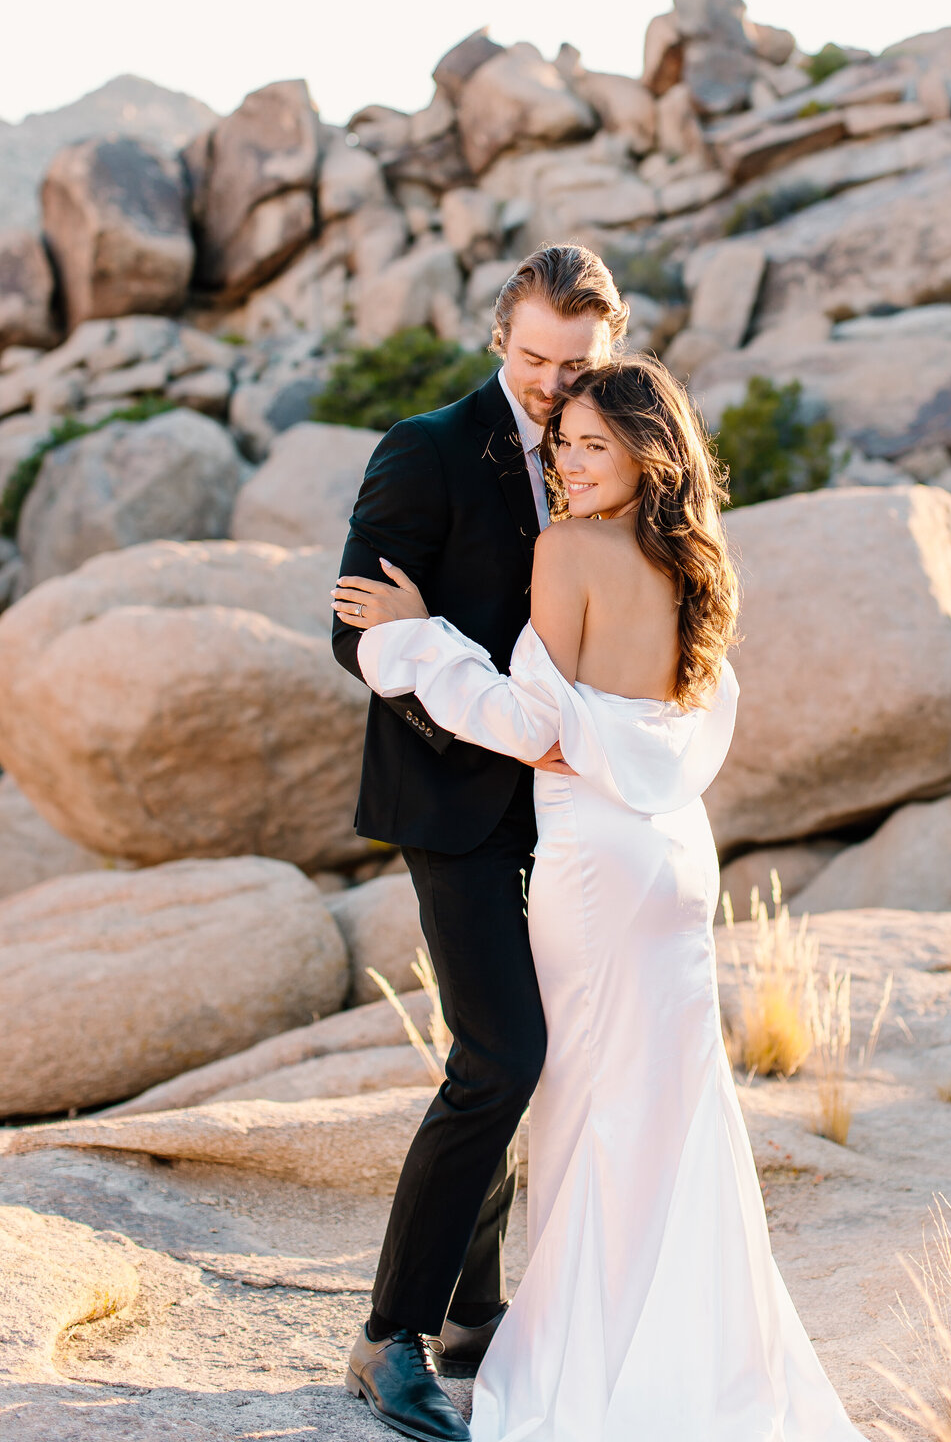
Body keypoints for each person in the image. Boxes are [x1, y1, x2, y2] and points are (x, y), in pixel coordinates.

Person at [334, 356, 864, 1441]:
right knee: (676, 1110)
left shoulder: (568, 547)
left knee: (588, 1112)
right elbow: (681, 716)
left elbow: (533, 728)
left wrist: (414, 640)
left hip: (592, 870)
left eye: (592, 447)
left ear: (643, 455)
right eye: (563, 444)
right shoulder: (698, 560)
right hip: (675, 855)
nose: (568, 466)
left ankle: (589, 1351)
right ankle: (696, 1358)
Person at [331, 243, 629, 1442]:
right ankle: (386, 1337)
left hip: (574, 814)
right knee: (500, 1055)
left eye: (578, 364)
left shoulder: (617, 445)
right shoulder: (427, 447)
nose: (555, 385)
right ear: (500, 336)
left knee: (538, 1056)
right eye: (537, 358)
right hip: (452, 803)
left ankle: (476, 1312)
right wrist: (459, 695)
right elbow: (353, 628)